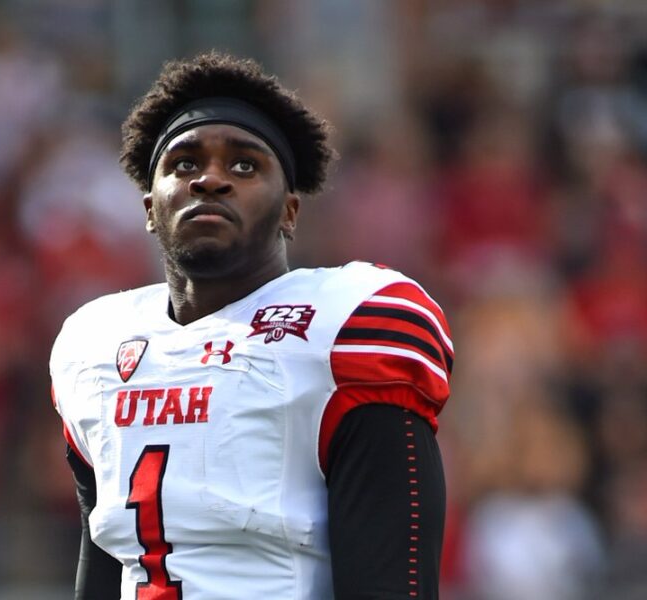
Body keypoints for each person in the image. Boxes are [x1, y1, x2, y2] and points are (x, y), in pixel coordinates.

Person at [50, 52, 453, 599]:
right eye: (184, 164)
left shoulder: (341, 326)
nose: (210, 180)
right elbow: (102, 558)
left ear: (290, 211)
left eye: (244, 166)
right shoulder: (95, 344)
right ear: (148, 208)